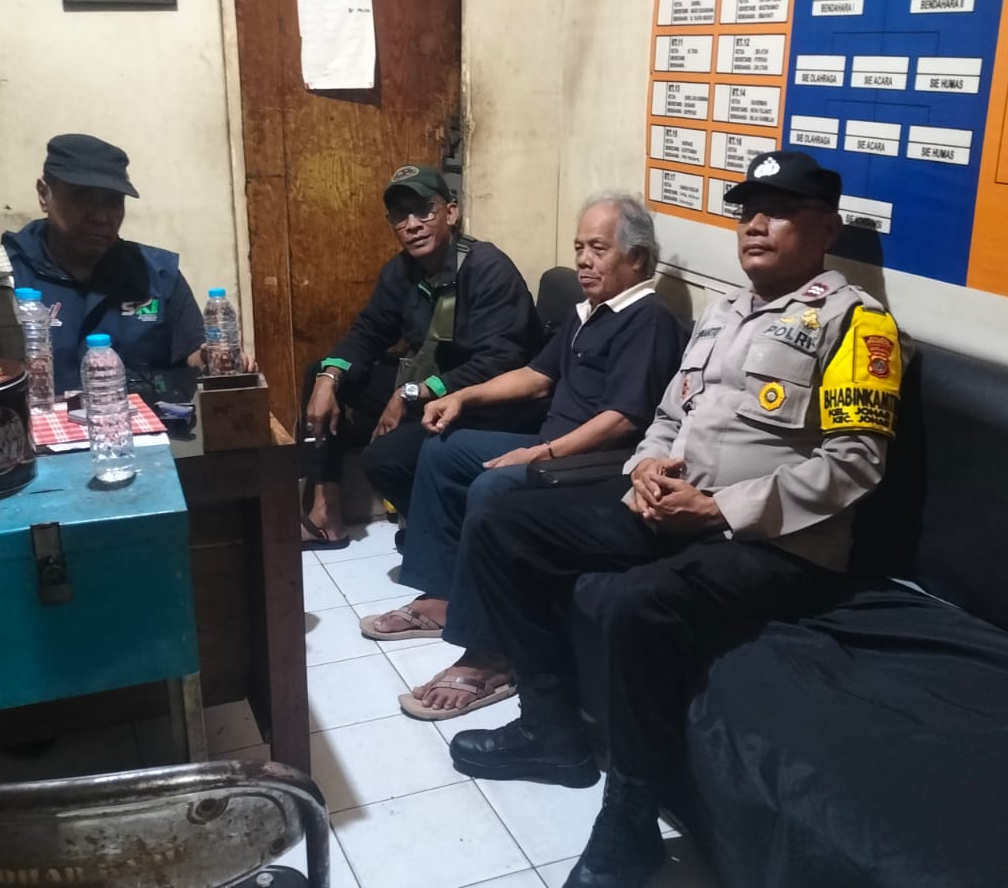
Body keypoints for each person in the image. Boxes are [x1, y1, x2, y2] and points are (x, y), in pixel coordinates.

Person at [446, 151, 910, 888]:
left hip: (777, 543)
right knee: (505, 523)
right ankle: (551, 729)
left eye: (780, 212)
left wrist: (721, 507)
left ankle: (630, 820)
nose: (755, 225)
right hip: (672, 510)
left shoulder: (855, 324)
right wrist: (646, 469)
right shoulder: (725, 312)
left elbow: (856, 463)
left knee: (635, 601)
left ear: (825, 229)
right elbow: (668, 418)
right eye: (749, 211)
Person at [358, 193, 686, 721]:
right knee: (443, 450)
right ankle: (443, 596)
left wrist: (539, 452)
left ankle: (492, 654)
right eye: (579, 248)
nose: (583, 261)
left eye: (598, 249)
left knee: (494, 486)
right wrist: (463, 397)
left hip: (592, 464)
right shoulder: (588, 313)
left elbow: (622, 420)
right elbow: (536, 376)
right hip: (549, 443)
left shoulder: (646, 320)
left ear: (638, 259)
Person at [299, 164, 542, 550]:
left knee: (384, 456)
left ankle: (442, 533)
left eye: (424, 210)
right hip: (430, 385)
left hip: (487, 401)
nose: (412, 225)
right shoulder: (401, 272)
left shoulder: (488, 269)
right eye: (400, 215)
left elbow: (501, 361)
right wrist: (329, 377)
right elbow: (368, 333)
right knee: (324, 374)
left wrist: (412, 392)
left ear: (451, 212)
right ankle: (325, 515)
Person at [4, 134, 245, 393]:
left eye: (113, 200)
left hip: (141, 418)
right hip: (40, 418)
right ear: (44, 194)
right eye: (83, 197)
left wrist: (211, 359)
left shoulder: (157, 274)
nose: (100, 216)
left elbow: (192, 355)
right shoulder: (7, 278)